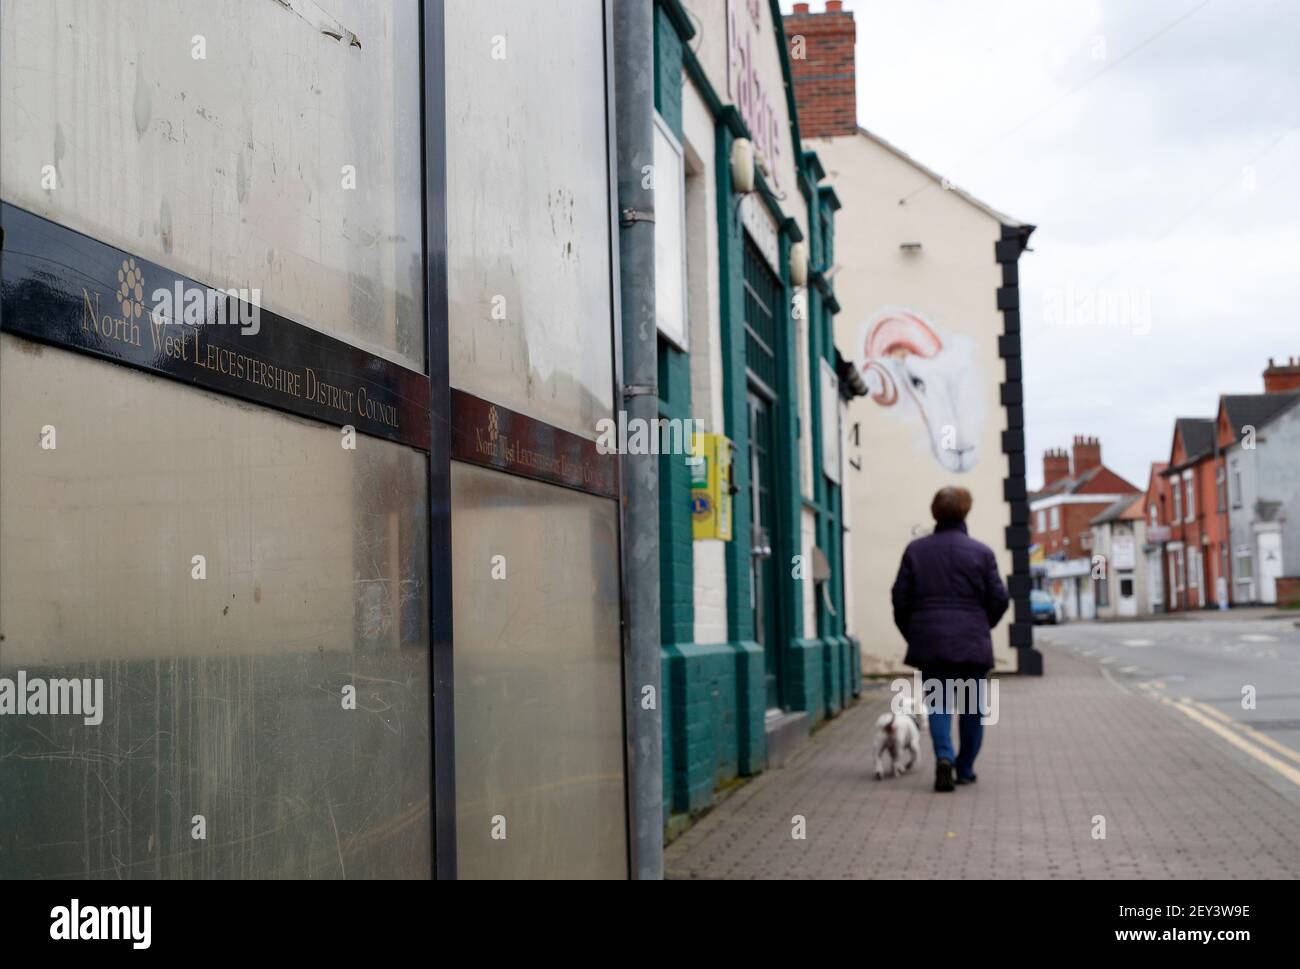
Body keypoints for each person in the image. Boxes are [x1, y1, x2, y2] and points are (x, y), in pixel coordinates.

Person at [890, 487, 1009, 792]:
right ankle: (965, 768)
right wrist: (982, 625)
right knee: (971, 709)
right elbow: (999, 599)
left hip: (932, 643)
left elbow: (899, 599)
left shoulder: (916, 550)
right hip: (971, 643)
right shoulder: (982, 553)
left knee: (939, 703)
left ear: (934, 513)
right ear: (966, 513)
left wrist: (915, 632)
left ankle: (944, 757)